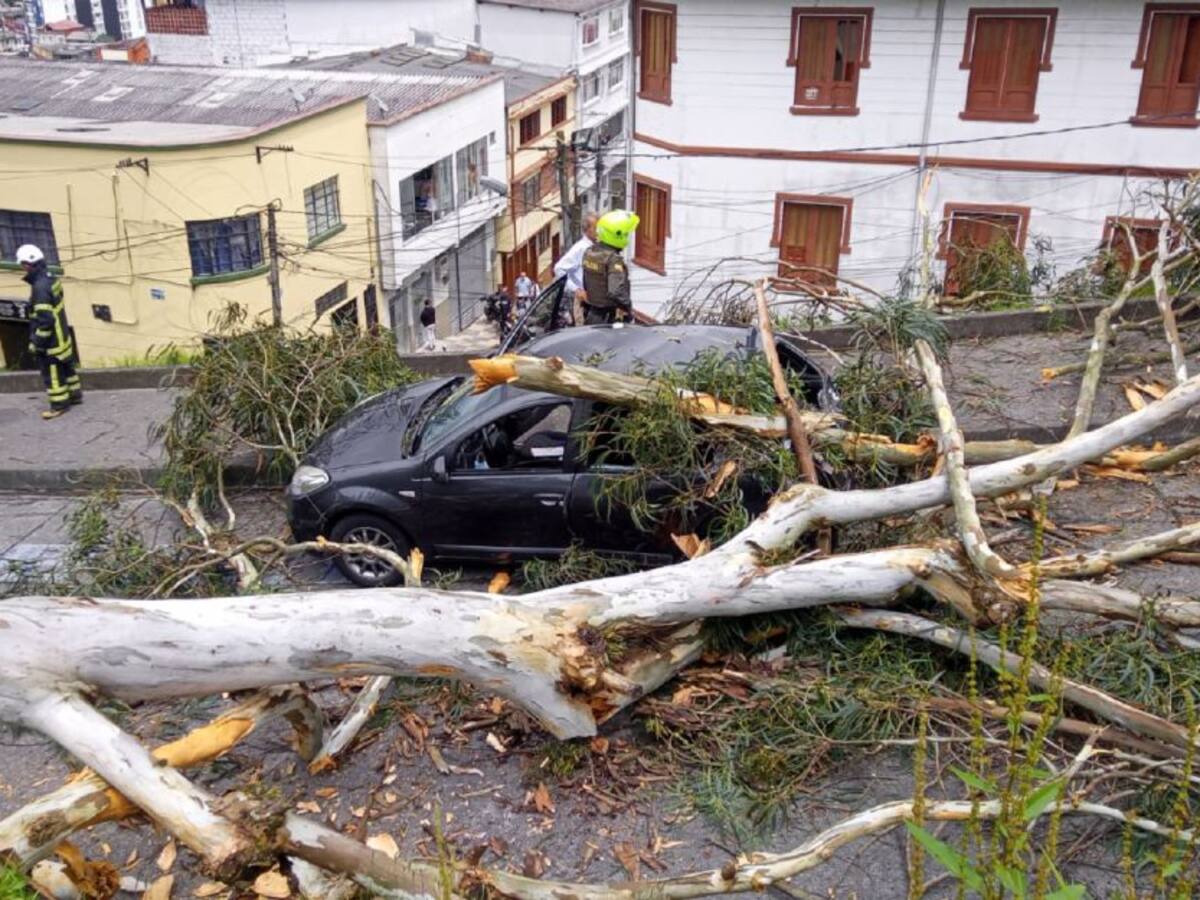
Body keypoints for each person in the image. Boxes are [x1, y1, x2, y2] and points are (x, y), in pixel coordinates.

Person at [19, 244, 81, 420]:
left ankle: (59, 405)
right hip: (63, 337)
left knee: (53, 375)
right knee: (68, 369)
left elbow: (45, 321)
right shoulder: (51, 278)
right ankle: (75, 396)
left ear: (27, 264)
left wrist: (37, 343)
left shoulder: (39, 288)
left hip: (52, 344)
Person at [580, 210, 639, 325]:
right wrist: (628, 306)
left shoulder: (589, 252)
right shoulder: (613, 259)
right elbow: (615, 291)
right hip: (609, 319)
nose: (626, 237)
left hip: (591, 315)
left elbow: (586, 284)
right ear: (616, 235)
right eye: (625, 234)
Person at [553, 212, 599, 324]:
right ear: (587, 229)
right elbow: (558, 269)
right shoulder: (580, 248)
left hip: (598, 301)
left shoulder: (597, 246)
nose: (599, 231)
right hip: (584, 302)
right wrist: (576, 290)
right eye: (596, 227)